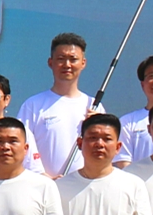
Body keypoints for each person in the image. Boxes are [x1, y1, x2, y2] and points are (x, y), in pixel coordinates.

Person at [17, 32, 100, 178]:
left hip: (85, 184)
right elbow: (21, 146)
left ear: (83, 63)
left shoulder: (94, 106)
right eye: (61, 59)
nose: (67, 65)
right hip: (43, 185)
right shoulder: (33, 105)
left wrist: (98, 127)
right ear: (51, 62)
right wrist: (44, 178)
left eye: (73, 59)